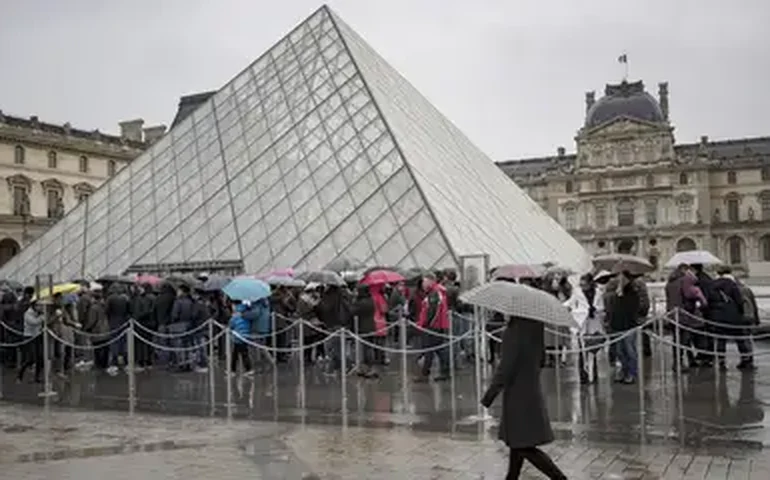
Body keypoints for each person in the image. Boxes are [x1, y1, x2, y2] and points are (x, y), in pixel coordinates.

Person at [481, 316, 567, 480]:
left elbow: (505, 368)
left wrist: (489, 395)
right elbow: (541, 359)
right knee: (518, 441)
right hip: (531, 391)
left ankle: (560, 478)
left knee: (522, 445)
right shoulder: (535, 327)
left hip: (517, 396)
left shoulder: (512, 332)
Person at [665, 263, 707, 371]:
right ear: (684, 270)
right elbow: (690, 295)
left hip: (673, 315)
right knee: (684, 339)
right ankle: (679, 363)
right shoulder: (684, 281)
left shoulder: (670, 283)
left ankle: (682, 361)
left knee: (677, 340)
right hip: (684, 314)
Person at [565, 273, 605, 384]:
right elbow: (570, 303)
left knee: (593, 350)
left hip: (594, 323)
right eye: (581, 284)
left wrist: (595, 309)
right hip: (581, 323)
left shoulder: (598, 293)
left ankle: (593, 375)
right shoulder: (577, 293)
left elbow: (602, 308)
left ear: (590, 283)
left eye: (585, 284)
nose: (583, 286)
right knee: (582, 351)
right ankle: (584, 376)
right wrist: (561, 306)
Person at [712, 266, 754, 370]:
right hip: (733, 315)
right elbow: (739, 301)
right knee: (739, 338)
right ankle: (745, 360)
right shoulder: (732, 284)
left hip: (718, 316)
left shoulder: (713, 284)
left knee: (721, 340)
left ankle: (721, 362)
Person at [605, 271, 640, 384]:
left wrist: (622, 298)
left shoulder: (633, 293)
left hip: (629, 325)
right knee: (620, 351)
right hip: (617, 325)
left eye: (622, 279)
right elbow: (612, 309)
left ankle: (632, 373)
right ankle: (624, 371)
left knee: (630, 350)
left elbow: (634, 308)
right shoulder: (615, 293)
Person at [415, 273, 450, 382]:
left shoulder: (434, 294)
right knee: (438, 349)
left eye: (425, 282)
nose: (423, 285)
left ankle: (425, 373)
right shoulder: (437, 292)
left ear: (430, 281)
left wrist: (426, 324)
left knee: (430, 349)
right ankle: (443, 371)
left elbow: (432, 311)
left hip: (432, 327)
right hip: (436, 326)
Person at [17, 300, 44, 383]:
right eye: (38, 305)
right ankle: (20, 375)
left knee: (40, 357)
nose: (40, 307)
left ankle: (37, 377)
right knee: (31, 358)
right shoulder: (28, 314)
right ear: (34, 306)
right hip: (29, 337)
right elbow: (34, 322)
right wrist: (42, 317)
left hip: (38, 336)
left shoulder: (39, 313)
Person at [229, 302, 253, 376]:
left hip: (237, 337)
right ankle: (233, 369)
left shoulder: (235, 315)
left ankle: (235, 370)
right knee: (242, 353)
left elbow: (231, 324)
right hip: (245, 335)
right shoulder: (246, 314)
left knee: (237, 355)